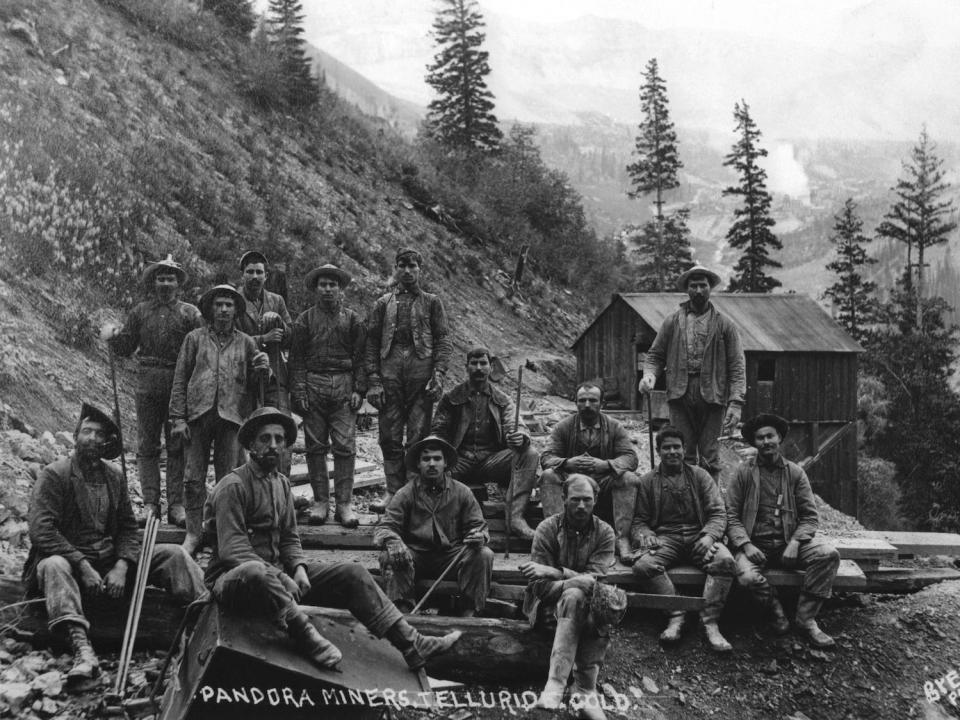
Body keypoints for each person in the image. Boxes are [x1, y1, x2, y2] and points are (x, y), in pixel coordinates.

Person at [203, 407, 462, 671]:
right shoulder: (233, 486)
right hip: (234, 582)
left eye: (279, 440)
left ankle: (412, 643)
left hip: (277, 578)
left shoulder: (280, 483)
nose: (273, 445)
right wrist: (281, 577)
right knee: (255, 571)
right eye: (265, 439)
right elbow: (233, 551)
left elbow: (289, 539)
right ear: (250, 445)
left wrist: (299, 569)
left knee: (352, 574)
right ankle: (305, 635)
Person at [23, 403, 204, 685]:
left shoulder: (114, 477)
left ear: (108, 442)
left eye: (98, 434)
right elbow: (41, 530)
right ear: (76, 436)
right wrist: (81, 564)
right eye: (86, 432)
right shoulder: (54, 475)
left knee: (173, 554)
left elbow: (128, 528)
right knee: (53, 565)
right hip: (69, 567)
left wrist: (122, 564)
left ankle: (206, 620)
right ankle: (83, 650)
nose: (92, 438)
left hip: (108, 563)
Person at [169, 284, 269, 554]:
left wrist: (263, 369)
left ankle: (224, 534)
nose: (224, 310)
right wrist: (178, 418)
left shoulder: (247, 342)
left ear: (236, 310)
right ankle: (193, 533)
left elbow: (257, 382)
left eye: (229, 305)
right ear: (210, 309)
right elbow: (180, 379)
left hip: (232, 417)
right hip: (198, 416)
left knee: (230, 479)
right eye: (218, 304)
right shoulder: (195, 339)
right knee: (192, 477)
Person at [103, 255, 202, 526]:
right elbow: (126, 346)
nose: (165, 283)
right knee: (147, 446)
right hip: (147, 381)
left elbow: (201, 348)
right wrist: (113, 337)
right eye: (161, 278)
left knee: (177, 444)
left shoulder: (190, 314)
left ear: (178, 283)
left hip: (179, 382)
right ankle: (150, 503)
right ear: (153, 282)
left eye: (170, 278)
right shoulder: (140, 312)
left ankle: (176, 504)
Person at [727, 413, 840, 648]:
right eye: (760, 438)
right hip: (753, 546)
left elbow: (810, 517)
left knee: (828, 555)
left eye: (770, 436)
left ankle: (806, 619)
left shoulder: (795, 474)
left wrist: (796, 542)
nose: (766, 442)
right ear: (754, 443)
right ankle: (775, 609)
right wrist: (746, 545)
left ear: (780, 438)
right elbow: (731, 516)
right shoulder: (743, 473)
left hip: (788, 545)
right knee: (746, 577)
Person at [520, 475, 624, 720]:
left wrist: (557, 572)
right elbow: (540, 588)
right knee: (575, 595)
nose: (581, 506)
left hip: (585, 609)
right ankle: (573, 687)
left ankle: (573, 687)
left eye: (587, 500)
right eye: (575, 499)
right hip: (545, 608)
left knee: (588, 600)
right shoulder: (547, 529)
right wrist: (574, 581)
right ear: (563, 499)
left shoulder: (604, 532)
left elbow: (595, 585)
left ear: (596, 500)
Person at [628, 426, 736, 652]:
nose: (672, 452)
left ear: (684, 449)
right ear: (658, 451)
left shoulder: (700, 476)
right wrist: (646, 535)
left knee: (725, 562)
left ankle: (710, 623)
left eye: (676, 446)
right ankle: (676, 614)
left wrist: (709, 536)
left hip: (700, 537)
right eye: (666, 448)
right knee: (644, 565)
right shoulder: (648, 481)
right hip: (667, 539)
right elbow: (639, 521)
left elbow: (718, 512)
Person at [638, 265, 745, 482]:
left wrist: (736, 403)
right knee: (680, 453)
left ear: (710, 289)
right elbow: (655, 355)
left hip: (713, 395)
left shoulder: (725, 324)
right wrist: (649, 375)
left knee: (710, 456)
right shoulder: (672, 322)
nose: (698, 290)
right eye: (693, 286)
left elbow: (737, 365)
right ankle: (683, 504)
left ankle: (711, 507)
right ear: (686, 289)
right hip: (680, 394)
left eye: (703, 285)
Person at [365, 247, 452, 513]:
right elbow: (370, 342)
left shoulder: (432, 302)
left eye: (412, 266)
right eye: (402, 265)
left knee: (418, 437)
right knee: (389, 437)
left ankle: (416, 493)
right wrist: (374, 381)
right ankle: (393, 493)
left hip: (421, 379)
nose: (407, 271)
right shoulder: (383, 303)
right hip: (390, 377)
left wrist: (438, 374)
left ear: (420, 269)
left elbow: (443, 339)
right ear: (395, 268)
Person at [375, 436, 493, 617]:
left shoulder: (462, 492)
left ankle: (469, 614)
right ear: (418, 464)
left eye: (437, 459)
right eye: (426, 459)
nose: (432, 464)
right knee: (390, 557)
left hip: (451, 557)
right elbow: (385, 527)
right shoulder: (405, 493)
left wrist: (479, 536)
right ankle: (403, 614)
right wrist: (393, 541)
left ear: (445, 463)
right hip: (415, 556)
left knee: (483, 554)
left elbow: (478, 525)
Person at [431, 348, 539, 539]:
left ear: (491, 367)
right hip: (458, 460)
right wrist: (442, 455)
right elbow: (438, 431)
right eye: (474, 363)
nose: (479, 368)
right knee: (430, 466)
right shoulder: (451, 398)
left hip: (490, 461)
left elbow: (515, 425)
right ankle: (438, 523)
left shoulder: (502, 400)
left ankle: (515, 518)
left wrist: (519, 437)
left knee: (529, 454)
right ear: (466, 367)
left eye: (483, 363)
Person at [289, 264, 366, 527]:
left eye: (332, 284)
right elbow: (296, 360)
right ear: (316, 289)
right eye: (323, 285)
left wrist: (359, 389)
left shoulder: (353, 319)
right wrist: (299, 390)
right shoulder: (305, 320)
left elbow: (362, 358)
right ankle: (321, 501)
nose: (328, 289)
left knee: (345, 446)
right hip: (313, 383)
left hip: (344, 385)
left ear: (340, 288)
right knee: (315, 446)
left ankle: (344, 504)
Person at [540, 382, 639, 558]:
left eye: (592, 400)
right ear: (575, 403)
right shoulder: (563, 426)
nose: (587, 405)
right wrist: (567, 463)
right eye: (582, 400)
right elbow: (546, 458)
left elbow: (630, 458)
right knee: (549, 475)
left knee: (629, 479)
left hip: (603, 484)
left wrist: (606, 465)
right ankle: (556, 536)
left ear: (602, 403)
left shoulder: (614, 426)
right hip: (572, 485)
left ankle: (622, 539)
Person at [235, 250, 293, 414]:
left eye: (259, 272)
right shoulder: (234, 301)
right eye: (250, 272)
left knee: (280, 422)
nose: (255, 276)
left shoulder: (276, 300)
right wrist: (263, 338)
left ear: (266, 276)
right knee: (245, 427)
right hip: (243, 374)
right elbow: (231, 340)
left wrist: (280, 324)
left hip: (275, 375)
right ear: (242, 276)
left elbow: (291, 338)